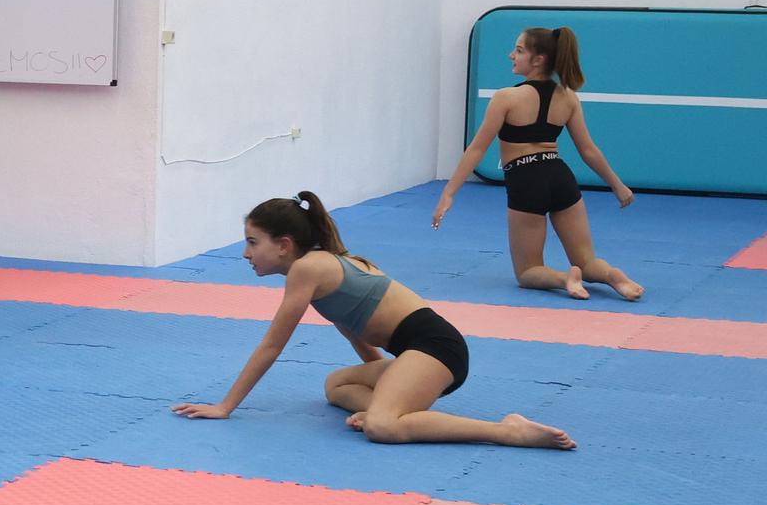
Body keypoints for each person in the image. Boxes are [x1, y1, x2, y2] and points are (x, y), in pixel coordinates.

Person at [174, 192, 574, 450]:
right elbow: (354, 330)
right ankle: (395, 407)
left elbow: (272, 345)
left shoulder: (308, 270)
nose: (245, 253)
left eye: (252, 242)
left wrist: (226, 406)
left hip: (436, 349)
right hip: (420, 352)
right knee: (336, 386)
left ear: (283, 245)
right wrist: (386, 383)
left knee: (382, 427)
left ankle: (507, 430)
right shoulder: (324, 266)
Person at [433, 26, 642, 301]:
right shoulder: (568, 98)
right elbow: (588, 150)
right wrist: (618, 185)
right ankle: (611, 275)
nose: (511, 56)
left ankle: (565, 277)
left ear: (538, 59)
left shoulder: (506, 97)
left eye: (519, 50)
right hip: (560, 176)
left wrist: (449, 193)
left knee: (528, 271)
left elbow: (476, 149)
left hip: (526, 179)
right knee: (588, 260)